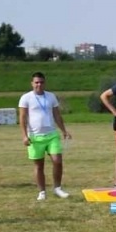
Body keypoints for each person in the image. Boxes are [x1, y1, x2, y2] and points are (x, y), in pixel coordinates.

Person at [17, 71, 71, 200]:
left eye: (41, 82)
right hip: (35, 137)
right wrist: (24, 136)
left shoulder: (51, 96)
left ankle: (57, 188)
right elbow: (22, 118)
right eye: (36, 82)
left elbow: (57, 115)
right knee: (39, 165)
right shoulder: (26, 98)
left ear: (45, 83)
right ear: (32, 83)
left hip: (51, 134)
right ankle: (42, 192)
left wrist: (64, 130)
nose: (39, 85)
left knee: (57, 161)